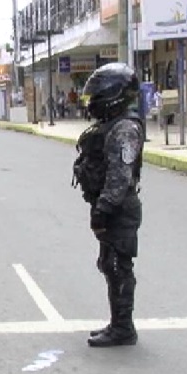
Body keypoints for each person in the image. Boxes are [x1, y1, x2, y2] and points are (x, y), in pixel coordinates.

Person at [72, 62, 144, 347]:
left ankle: (123, 328)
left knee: (118, 266)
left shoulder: (125, 128)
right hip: (110, 205)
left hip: (119, 208)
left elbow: (120, 176)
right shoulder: (111, 125)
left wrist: (103, 210)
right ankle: (118, 323)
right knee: (109, 264)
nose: (94, 101)